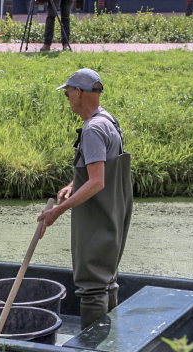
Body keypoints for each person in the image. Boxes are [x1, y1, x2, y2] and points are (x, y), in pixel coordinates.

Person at [37, 68, 133, 329]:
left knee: (91, 286)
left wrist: (58, 211)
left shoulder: (92, 129)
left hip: (97, 218)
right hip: (114, 214)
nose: (67, 97)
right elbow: (99, 169)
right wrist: (73, 184)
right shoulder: (108, 120)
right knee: (107, 281)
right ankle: (109, 345)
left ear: (79, 92)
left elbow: (98, 182)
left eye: (68, 92)